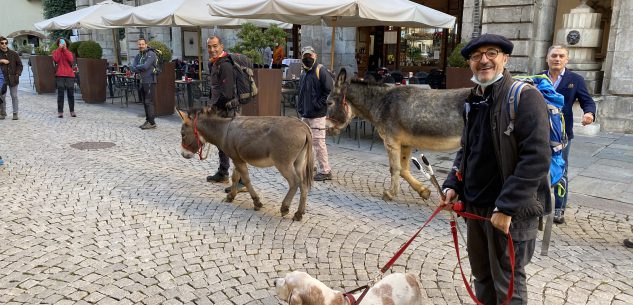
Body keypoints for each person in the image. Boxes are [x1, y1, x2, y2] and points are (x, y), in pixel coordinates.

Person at [440, 34, 551, 305]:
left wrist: (506, 207)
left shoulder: (525, 97)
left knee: (508, 286)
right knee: (482, 277)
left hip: (509, 213)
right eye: (476, 56)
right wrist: (453, 182)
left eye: (491, 53)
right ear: (470, 63)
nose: (484, 60)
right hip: (476, 209)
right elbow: (467, 149)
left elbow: (536, 158)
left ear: (505, 58)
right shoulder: (474, 98)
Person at [542, 45, 596, 224]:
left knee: (560, 170)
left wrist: (589, 113)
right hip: (540, 131)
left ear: (567, 59)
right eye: (554, 55)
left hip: (562, 134)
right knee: (538, 168)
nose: (557, 59)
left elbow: (587, 101)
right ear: (547, 58)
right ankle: (539, 204)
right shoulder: (539, 78)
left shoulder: (575, 79)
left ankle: (558, 208)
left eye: (561, 56)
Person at [204, 36, 247, 193]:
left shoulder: (226, 65)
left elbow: (227, 93)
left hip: (229, 110)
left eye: (215, 46)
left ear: (221, 46)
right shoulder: (215, 63)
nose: (212, 49)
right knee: (222, 144)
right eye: (209, 46)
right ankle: (223, 172)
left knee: (234, 146)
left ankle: (243, 180)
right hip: (221, 109)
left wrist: (213, 107)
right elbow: (216, 88)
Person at [296, 46, 333, 181]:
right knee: (305, 142)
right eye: (305, 56)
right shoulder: (304, 73)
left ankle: (325, 171)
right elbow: (301, 93)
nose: (307, 58)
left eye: (309, 56)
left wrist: (319, 104)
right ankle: (311, 166)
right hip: (305, 113)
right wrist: (300, 107)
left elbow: (329, 91)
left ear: (315, 56)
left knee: (318, 142)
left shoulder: (320, 70)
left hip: (317, 114)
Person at [131, 38, 158, 129]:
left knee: (148, 102)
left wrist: (137, 67)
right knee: (145, 102)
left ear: (146, 44)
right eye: (139, 44)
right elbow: (132, 67)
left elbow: (146, 66)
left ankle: (152, 122)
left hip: (150, 80)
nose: (141, 46)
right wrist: (139, 67)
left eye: (142, 44)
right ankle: (148, 120)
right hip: (142, 81)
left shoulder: (151, 54)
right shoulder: (138, 55)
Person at [52, 38, 76, 118]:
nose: (62, 44)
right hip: (60, 74)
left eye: (63, 42)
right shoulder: (55, 52)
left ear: (66, 44)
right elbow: (56, 59)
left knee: (70, 93)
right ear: (58, 44)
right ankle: (60, 111)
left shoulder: (69, 52)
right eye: (61, 43)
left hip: (69, 74)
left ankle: (72, 111)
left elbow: (71, 60)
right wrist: (59, 49)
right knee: (60, 93)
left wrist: (65, 49)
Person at [0, 36, 23, 120]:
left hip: (13, 78)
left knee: (14, 96)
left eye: (6, 43)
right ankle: (2, 113)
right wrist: (1, 61)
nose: (4, 45)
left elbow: (20, 65)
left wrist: (17, 74)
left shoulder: (13, 53)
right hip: (2, 79)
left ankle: (15, 113)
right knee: (2, 96)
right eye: (2, 43)